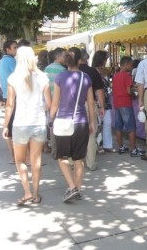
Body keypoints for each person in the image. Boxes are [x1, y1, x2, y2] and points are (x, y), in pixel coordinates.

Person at [2, 46, 51, 205]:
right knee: (36, 160)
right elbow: (49, 104)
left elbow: (10, 105)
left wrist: (5, 126)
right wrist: (40, 109)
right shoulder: (43, 76)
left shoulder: (13, 78)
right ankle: (36, 194)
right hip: (38, 122)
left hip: (20, 124)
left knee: (20, 161)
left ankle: (27, 192)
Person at [49, 47, 95, 202]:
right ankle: (77, 188)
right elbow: (91, 104)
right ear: (80, 60)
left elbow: (55, 103)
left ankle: (72, 187)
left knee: (62, 157)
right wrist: (92, 122)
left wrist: (50, 118)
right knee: (78, 159)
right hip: (81, 122)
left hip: (63, 122)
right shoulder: (86, 77)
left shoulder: (60, 77)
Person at [112, 56, 144, 156]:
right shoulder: (126, 75)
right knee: (131, 127)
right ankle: (133, 149)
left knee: (118, 126)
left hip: (117, 103)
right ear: (126, 64)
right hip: (125, 103)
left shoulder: (115, 75)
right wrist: (135, 95)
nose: (131, 66)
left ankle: (121, 147)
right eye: (130, 64)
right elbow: (128, 91)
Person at [79, 49, 104, 171]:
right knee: (91, 132)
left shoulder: (68, 72)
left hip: (74, 105)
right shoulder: (92, 71)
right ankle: (91, 162)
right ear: (86, 58)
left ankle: (74, 162)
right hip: (90, 104)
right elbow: (99, 91)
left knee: (75, 133)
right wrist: (102, 106)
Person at [0, 40, 18, 163]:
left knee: (9, 126)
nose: (16, 50)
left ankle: (13, 156)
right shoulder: (11, 61)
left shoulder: (1, 62)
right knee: (14, 127)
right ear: (7, 49)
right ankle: (18, 157)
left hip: (6, 94)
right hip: (14, 95)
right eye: (14, 48)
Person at [44, 48, 66, 158]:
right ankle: (61, 150)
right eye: (63, 56)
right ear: (58, 57)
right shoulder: (63, 70)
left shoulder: (46, 69)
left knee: (52, 126)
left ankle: (55, 150)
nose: (65, 58)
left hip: (49, 102)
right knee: (61, 126)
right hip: (60, 102)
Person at [91, 51, 115, 153]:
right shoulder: (93, 71)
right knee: (98, 124)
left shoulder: (104, 71)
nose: (106, 61)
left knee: (107, 122)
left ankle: (107, 145)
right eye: (105, 59)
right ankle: (98, 145)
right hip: (97, 99)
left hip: (106, 99)